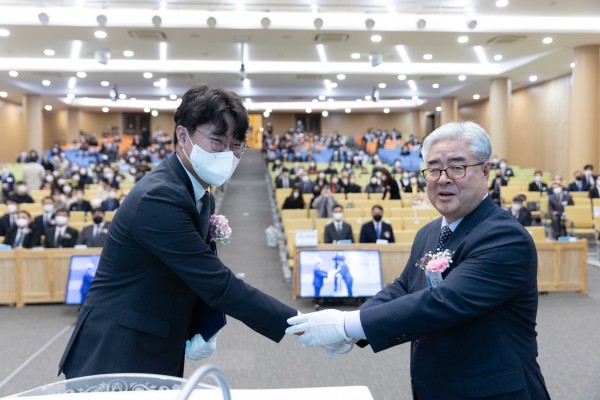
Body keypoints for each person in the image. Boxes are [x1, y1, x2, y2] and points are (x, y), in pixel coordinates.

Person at [287, 121, 550, 400]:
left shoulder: (505, 237)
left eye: (457, 167)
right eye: (434, 169)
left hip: (492, 392)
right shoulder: (429, 232)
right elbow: (404, 287)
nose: (443, 179)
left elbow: (443, 302)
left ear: (485, 171)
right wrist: (352, 329)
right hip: (438, 387)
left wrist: (346, 324)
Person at [59, 84, 297, 379]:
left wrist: (206, 323)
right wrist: (300, 323)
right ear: (182, 136)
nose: (229, 154)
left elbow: (194, 272)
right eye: (217, 141)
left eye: (236, 144)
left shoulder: (200, 194)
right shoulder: (160, 197)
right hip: (116, 350)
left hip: (156, 339)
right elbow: (216, 282)